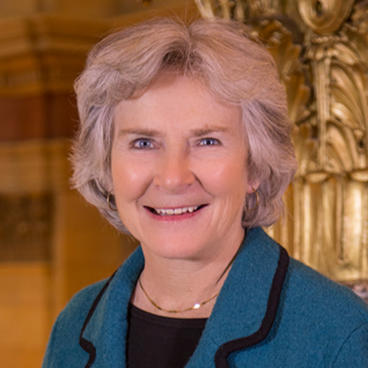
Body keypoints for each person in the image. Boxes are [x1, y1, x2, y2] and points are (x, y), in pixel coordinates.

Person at [42, 17, 368, 368]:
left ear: (255, 166)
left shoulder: (338, 332)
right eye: (143, 142)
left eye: (207, 141)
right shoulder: (73, 326)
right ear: (107, 166)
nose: (172, 177)